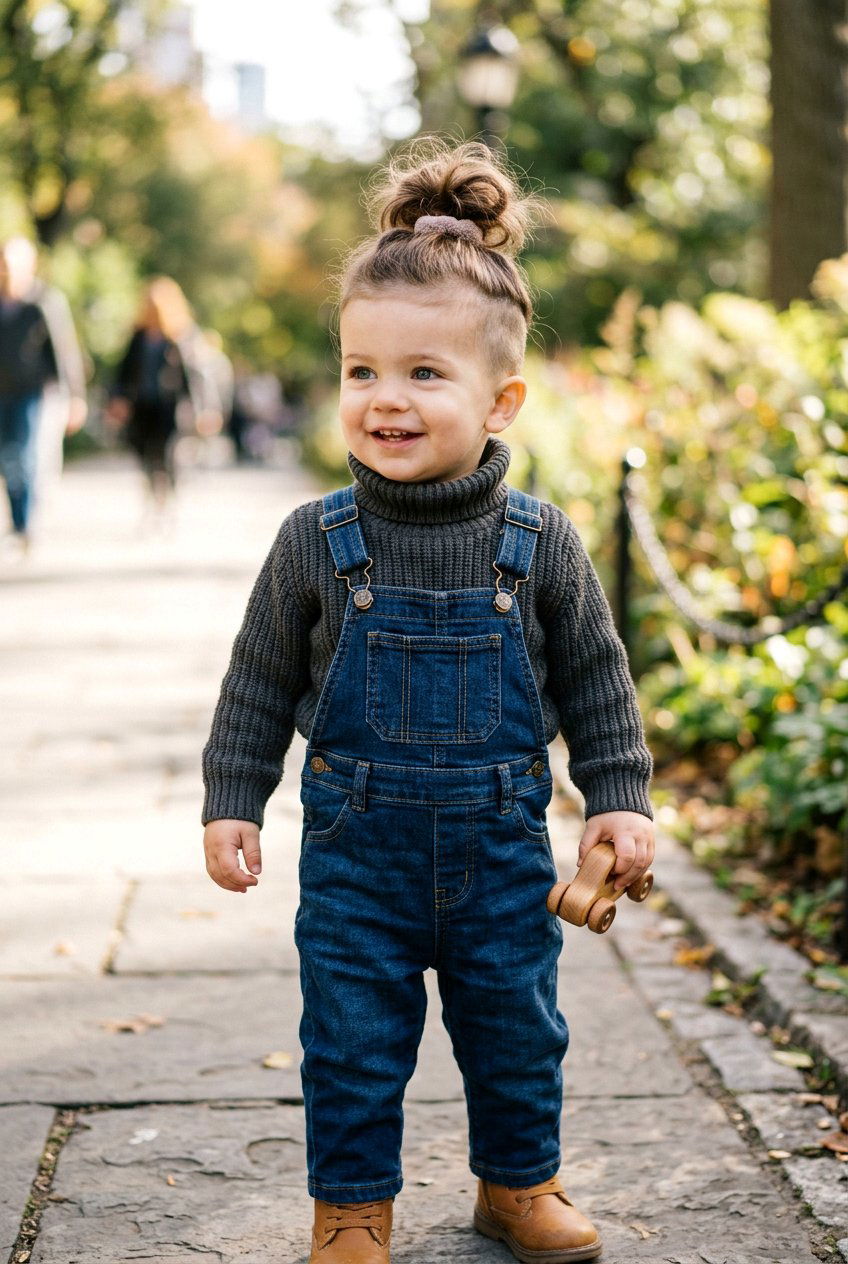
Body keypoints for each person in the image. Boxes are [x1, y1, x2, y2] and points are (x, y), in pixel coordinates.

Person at [202, 138, 655, 1264]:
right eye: (362, 371)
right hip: (357, 851)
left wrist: (618, 798)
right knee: (350, 1037)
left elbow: (597, 678)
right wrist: (231, 800)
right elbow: (258, 678)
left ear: (499, 399)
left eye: (420, 374)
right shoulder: (314, 540)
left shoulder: (538, 540)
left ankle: (518, 1185)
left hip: (502, 842)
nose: (383, 400)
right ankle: (350, 1208)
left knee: (516, 1028)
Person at [0, 236, 85, 551]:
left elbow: (64, 353)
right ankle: (19, 522)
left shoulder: (44, 301)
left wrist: (75, 396)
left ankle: (25, 526)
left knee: (25, 456)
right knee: (7, 458)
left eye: (12, 264)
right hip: (2, 391)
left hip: (32, 392)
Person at [108, 276, 196, 511]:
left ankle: (167, 494)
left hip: (168, 407)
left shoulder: (177, 338)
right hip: (141, 406)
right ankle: (152, 490)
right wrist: (117, 399)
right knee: (143, 451)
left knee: (166, 454)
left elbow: (190, 377)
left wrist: (198, 408)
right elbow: (123, 373)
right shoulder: (138, 338)